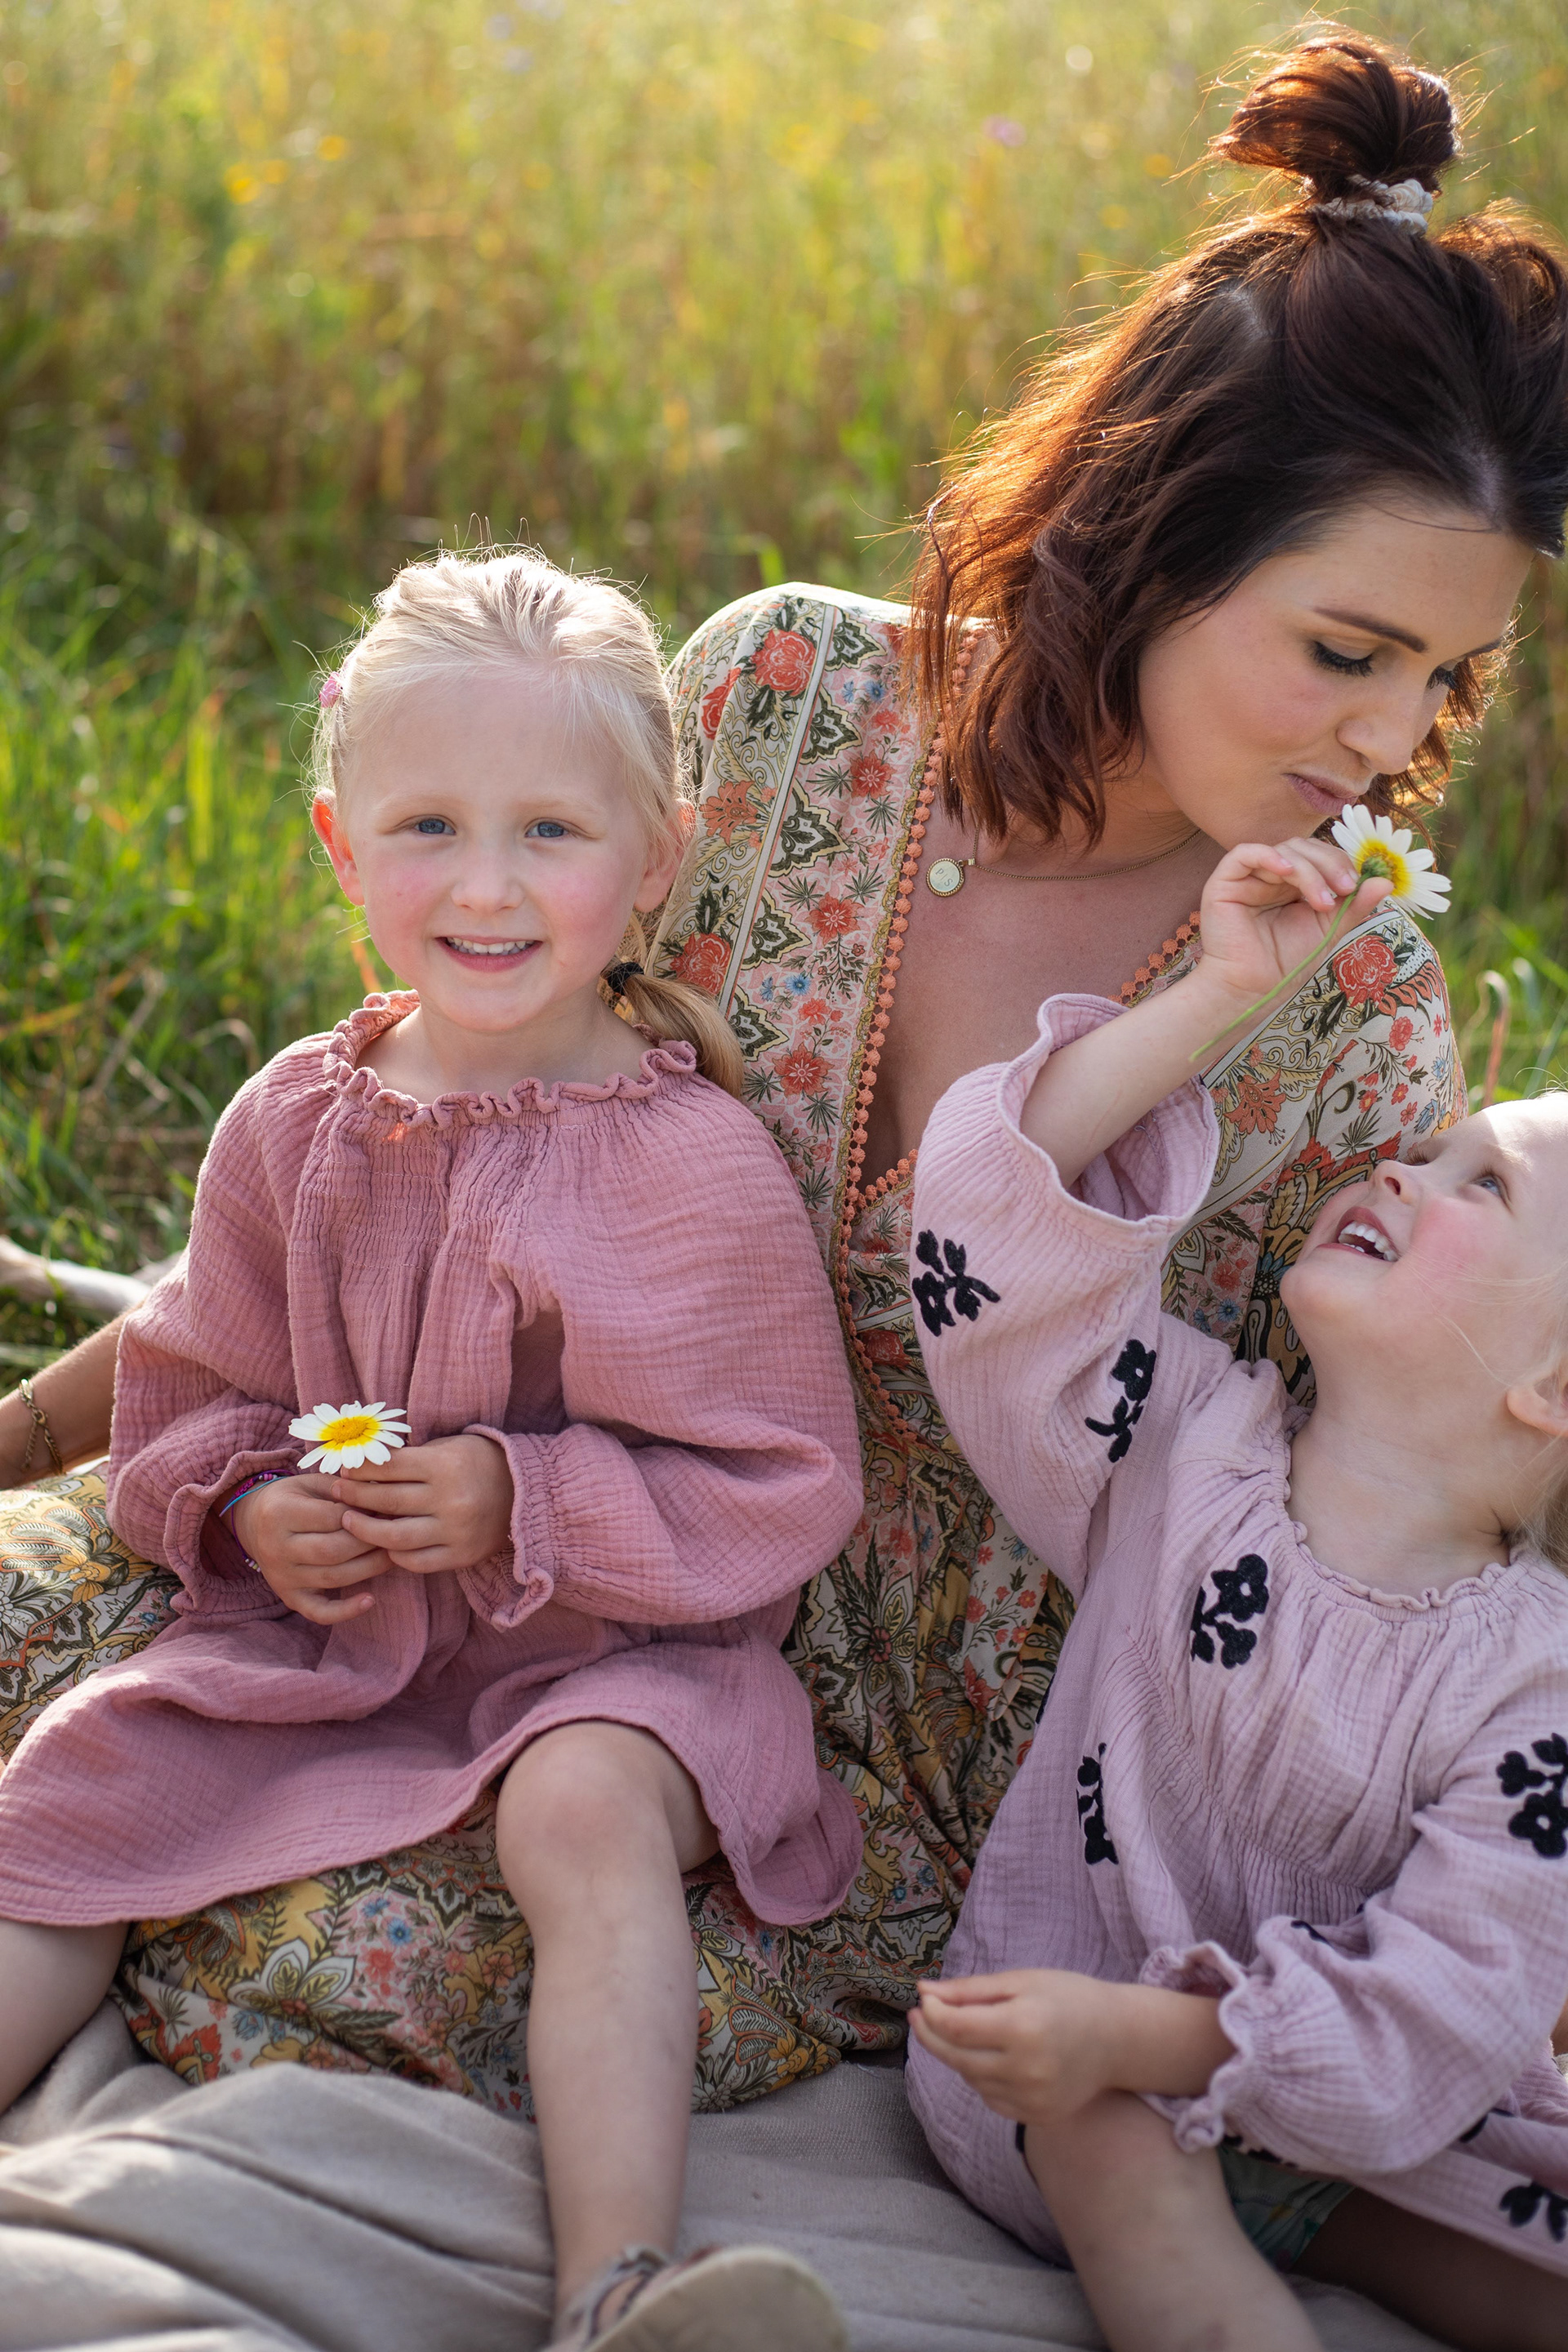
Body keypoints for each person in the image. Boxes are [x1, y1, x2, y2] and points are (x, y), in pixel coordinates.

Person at [0, 20, 1561, 2288]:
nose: (1393, 745)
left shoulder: (1348, 1002)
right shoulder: (782, 709)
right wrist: (53, 1434)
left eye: (1449, 681)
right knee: (64, 1633)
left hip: (914, 1753)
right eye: (1347, 650)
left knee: (356, 1960)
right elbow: (412, 1141)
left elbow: (1357, 1514)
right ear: (1156, 528)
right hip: (486, 1521)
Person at [0, 550, 864, 2352]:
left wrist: (518, 1496)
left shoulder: (683, 1162)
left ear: (655, 858)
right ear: (338, 845)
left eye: (552, 831)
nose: (485, 886)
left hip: (623, 1655)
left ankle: (620, 2286)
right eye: (427, 828)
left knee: (582, 1807)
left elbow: (785, 1482)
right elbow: (191, 1394)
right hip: (331, 1639)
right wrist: (251, 1512)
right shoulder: (296, 1123)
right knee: (85, 1778)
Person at [906, 830, 1568, 2351]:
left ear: (1550, 1386)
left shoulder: (1533, 1688)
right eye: (1433, 1145)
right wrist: (1213, 991)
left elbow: (1455, 2015)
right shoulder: (1179, 1442)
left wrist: (1202, 2034)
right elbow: (979, 1256)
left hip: (1396, 2136)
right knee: (1112, 2125)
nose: (1402, 1162)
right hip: (1061, 2066)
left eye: (1485, 1184)